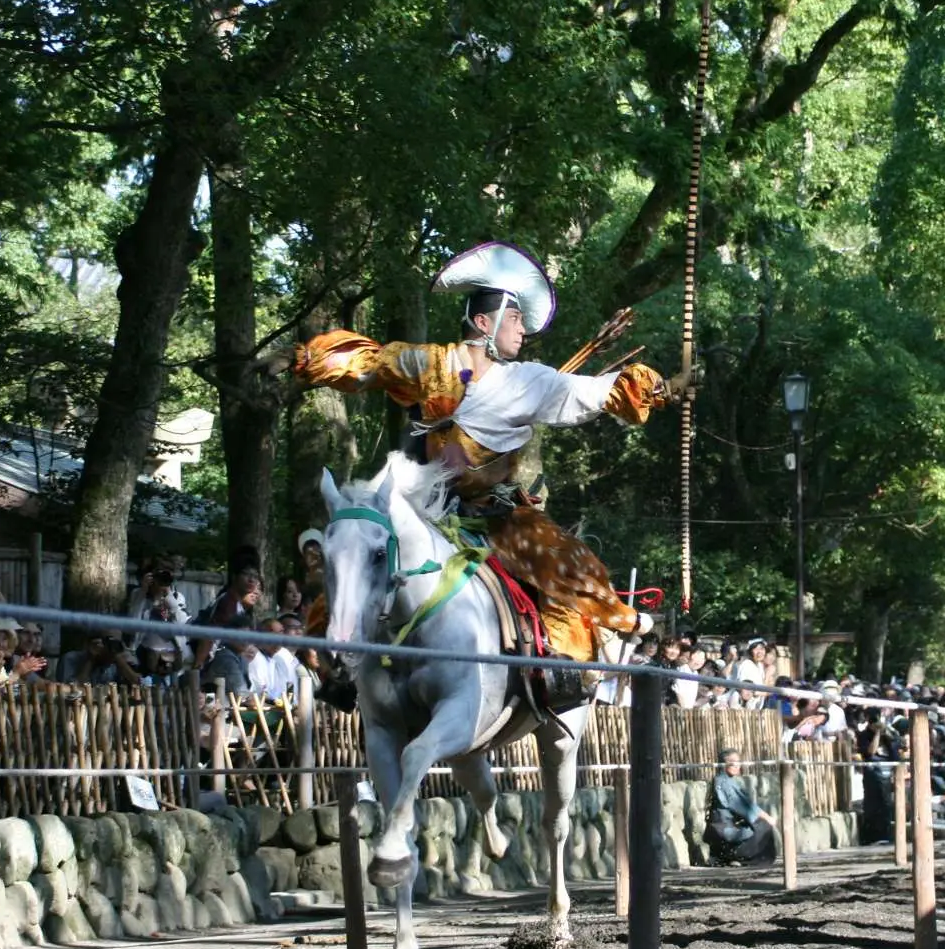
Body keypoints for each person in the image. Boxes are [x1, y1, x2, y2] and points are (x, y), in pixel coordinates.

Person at [293, 240, 691, 664]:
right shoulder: (432, 363)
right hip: (418, 504)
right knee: (353, 559)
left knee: (564, 563)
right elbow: (370, 363)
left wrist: (661, 388)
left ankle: (559, 670)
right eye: (515, 320)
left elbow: (592, 391)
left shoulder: (529, 380)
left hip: (495, 514)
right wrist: (302, 359)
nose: (523, 331)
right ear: (484, 322)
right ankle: (327, 663)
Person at [703, 748, 779, 864]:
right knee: (763, 825)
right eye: (733, 762)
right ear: (724, 764)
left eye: (738, 762)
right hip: (725, 832)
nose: (737, 765)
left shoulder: (721, 780)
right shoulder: (724, 783)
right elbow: (747, 808)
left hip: (721, 830)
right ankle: (744, 859)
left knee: (757, 823)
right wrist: (768, 818)